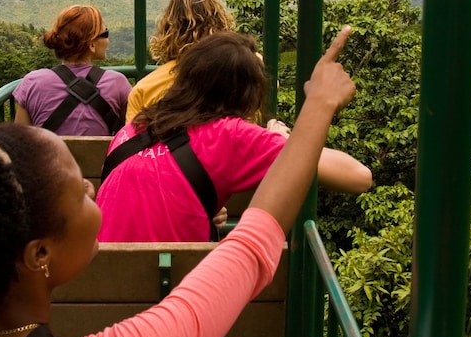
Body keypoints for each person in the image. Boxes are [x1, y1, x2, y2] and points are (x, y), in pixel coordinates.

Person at [0, 26, 360, 337]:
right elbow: (254, 241)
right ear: (39, 252)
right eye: (80, 190)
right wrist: (319, 104)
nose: (95, 190)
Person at [96, 30, 372, 242]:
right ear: (246, 96)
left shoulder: (133, 129)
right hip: (168, 302)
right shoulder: (228, 136)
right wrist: (283, 139)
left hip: (97, 295)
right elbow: (358, 176)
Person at [13, 5, 130, 136]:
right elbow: (132, 134)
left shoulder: (31, 83)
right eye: (105, 33)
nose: (108, 40)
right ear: (91, 44)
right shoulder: (118, 83)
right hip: (102, 157)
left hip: (50, 156)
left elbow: (20, 143)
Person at [126, 0, 234, 122]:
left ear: (167, 29)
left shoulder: (145, 89)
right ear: (220, 25)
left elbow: (131, 139)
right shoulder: (243, 74)